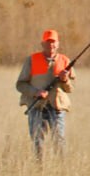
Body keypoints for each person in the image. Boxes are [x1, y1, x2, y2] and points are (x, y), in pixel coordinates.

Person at [16, 28, 75, 159]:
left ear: (58, 44)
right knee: (37, 141)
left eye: (53, 42)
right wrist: (35, 92)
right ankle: (39, 169)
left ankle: (61, 168)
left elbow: (69, 89)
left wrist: (65, 80)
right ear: (42, 44)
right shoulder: (31, 60)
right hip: (36, 105)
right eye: (48, 42)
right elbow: (20, 84)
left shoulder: (65, 61)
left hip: (57, 106)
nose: (51, 45)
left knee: (59, 140)